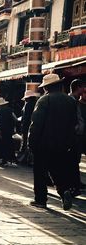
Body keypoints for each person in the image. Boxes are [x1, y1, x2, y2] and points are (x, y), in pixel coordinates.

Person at [29, 74, 77, 210]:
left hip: (43, 143)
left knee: (40, 172)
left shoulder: (44, 100)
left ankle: (41, 199)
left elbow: (36, 124)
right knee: (57, 170)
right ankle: (64, 191)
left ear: (47, 88)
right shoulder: (70, 101)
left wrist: (31, 143)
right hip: (62, 143)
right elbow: (73, 123)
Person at [68, 79, 85, 195]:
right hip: (73, 137)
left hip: (73, 137)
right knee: (72, 162)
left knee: (73, 162)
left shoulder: (73, 101)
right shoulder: (71, 101)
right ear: (77, 88)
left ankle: (75, 185)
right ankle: (74, 186)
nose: (83, 90)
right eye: (82, 87)